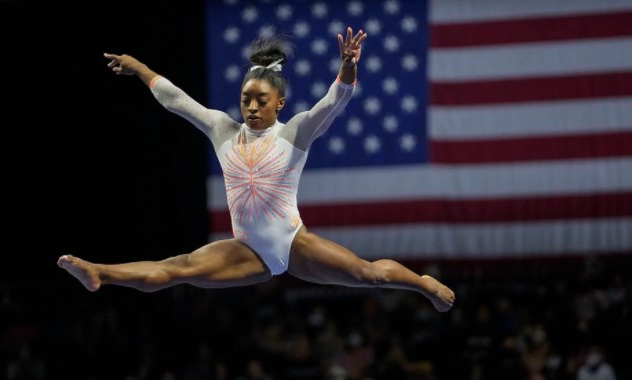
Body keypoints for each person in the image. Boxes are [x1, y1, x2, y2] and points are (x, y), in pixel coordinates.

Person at [57, 26, 455, 313]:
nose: (250, 107)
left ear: (278, 104)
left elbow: (333, 103)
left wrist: (348, 67)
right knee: (176, 269)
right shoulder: (222, 130)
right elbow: (177, 101)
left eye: (260, 100)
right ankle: (98, 273)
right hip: (246, 248)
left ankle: (423, 285)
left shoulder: (294, 133)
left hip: (293, 242)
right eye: (246, 98)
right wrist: (140, 67)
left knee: (371, 276)